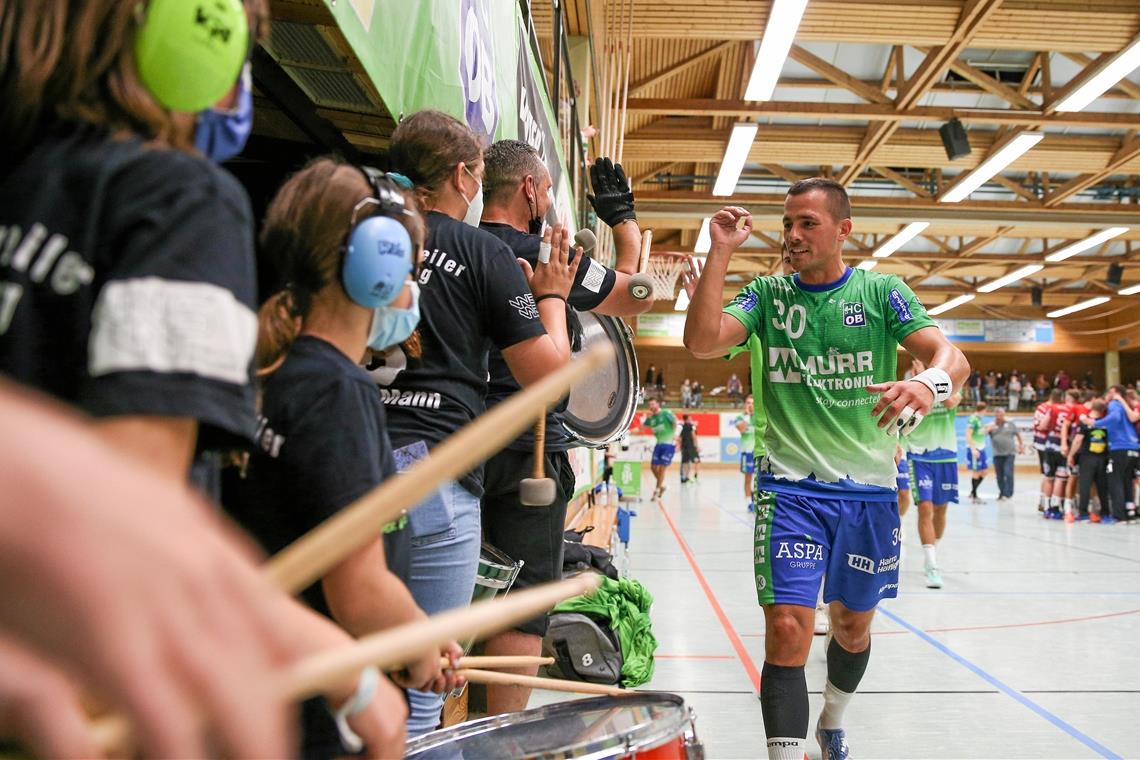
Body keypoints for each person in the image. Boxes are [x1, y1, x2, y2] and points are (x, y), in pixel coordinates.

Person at [683, 177, 968, 760]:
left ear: (843, 230)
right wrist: (720, 251)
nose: (792, 235)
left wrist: (925, 383)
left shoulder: (882, 293)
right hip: (789, 491)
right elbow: (702, 342)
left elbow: (953, 359)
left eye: (807, 223)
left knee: (851, 626)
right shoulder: (766, 296)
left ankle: (833, 720)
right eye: (787, 223)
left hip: (867, 496)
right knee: (788, 626)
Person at [221, 160, 466, 755]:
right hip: (315, 708)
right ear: (375, 267)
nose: (413, 288)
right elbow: (357, 592)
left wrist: (415, 637)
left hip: (260, 680)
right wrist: (417, 643)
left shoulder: (270, 370)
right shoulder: (339, 392)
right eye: (409, 266)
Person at [381, 110, 578, 734]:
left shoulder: (363, 231)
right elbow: (548, 375)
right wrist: (550, 294)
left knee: (355, 667)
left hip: (353, 463)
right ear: (466, 176)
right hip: (440, 474)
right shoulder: (479, 250)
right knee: (423, 677)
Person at [477, 143, 653, 714]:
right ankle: (501, 738)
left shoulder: (456, 243)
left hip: (451, 443)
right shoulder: (547, 254)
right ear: (529, 189)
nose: (549, 202)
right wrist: (623, 223)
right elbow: (634, 296)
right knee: (523, 603)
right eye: (549, 190)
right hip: (527, 451)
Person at [905, 390, 962, 589]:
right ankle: (931, 565)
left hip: (946, 455)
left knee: (940, 509)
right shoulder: (915, 386)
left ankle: (932, 551)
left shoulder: (953, 385)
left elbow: (950, 403)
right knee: (925, 508)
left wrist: (935, 384)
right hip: (919, 455)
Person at [1091, 385, 1140, 523]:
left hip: (1119, 448)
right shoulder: (1127, 407)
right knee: (1127, 481)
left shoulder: (1114, 404)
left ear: (1115, 393)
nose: (1107, 394)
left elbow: (1115, 418)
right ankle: (1130, 512)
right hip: (1134, 448)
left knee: (1114, 480)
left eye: (1109, 392)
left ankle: (1119, 516)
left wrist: (1095, 423)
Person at [1068, 400, 1109, 522]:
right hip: (1103, 458)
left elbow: (1078, 440)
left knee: (1085, 485)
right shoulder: (1105, 423)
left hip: (1087, 458)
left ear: (1091, 407)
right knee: (1102, 486)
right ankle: (1105, 513)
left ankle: (1084, 513)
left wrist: (1071, 454)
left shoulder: (1085, 423)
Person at [1059, 389, 1089, 521]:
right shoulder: (1076, 409)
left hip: (1090, 450)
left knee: (1088, 479)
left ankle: (1086, 507)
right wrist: (1064, 443)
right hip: (1075, 447)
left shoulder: (1094, 410)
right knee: (1072, 477)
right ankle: (1068, 508)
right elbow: (1065, 426)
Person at [643, 398, 678, 499]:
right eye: (650, 405)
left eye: (653, 404)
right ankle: (662, 486)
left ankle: (657, 491)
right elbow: (642, 427)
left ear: (657, 404)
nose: (651, 406)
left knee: (662, 469)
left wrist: (674, 435)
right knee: (653, 467)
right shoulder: (651, 419)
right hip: (658, 444)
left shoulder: (666, 413)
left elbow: (675, 422)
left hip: (668, 444)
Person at [986, 407, 1023, 501]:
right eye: (997, 415)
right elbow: (982, 434)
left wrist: (1021, 446)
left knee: (1008, 472)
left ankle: (1008, 493)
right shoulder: (991, 425)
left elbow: (1018, 435)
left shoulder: (1010, 424)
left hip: (1009, 453)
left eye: (1001, 415)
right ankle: (1002, 492)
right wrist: (989, 429)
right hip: (997, 454)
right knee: (999, 475)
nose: (999, 417)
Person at [736, 394, 758, 511]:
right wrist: (748, 416)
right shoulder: (740, 417)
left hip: (759, 452)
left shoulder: (759, 417)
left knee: (759, 478)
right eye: (748, 403)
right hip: (747, 452)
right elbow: (742, 429)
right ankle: (750, 503)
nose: (750, 405)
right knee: (748, 478)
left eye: (752, 403)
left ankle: (758, 500)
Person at [965, 402, 990, 503]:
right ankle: (975, 496)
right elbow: (968, 434)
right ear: (983, 409)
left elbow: (979, 432)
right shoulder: (973, 419)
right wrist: (973, 449)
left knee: (984, 471)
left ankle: (972, 492)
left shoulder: (980, 419)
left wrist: (987, 429)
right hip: (975, 449)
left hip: (981, 448)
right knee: (977, 471)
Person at [679, 413, 700, 483]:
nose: (691, 419)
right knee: (696, 461)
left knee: (685, 462)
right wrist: (697, 446)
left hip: (684, 447)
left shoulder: (682, 427)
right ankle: (696, 476)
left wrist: (680, 447)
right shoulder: (691, 426)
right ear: (687, 419)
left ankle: (686, 477)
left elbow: (680, 438)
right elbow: (694, 436)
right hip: (691, 447)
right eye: (690, 418)